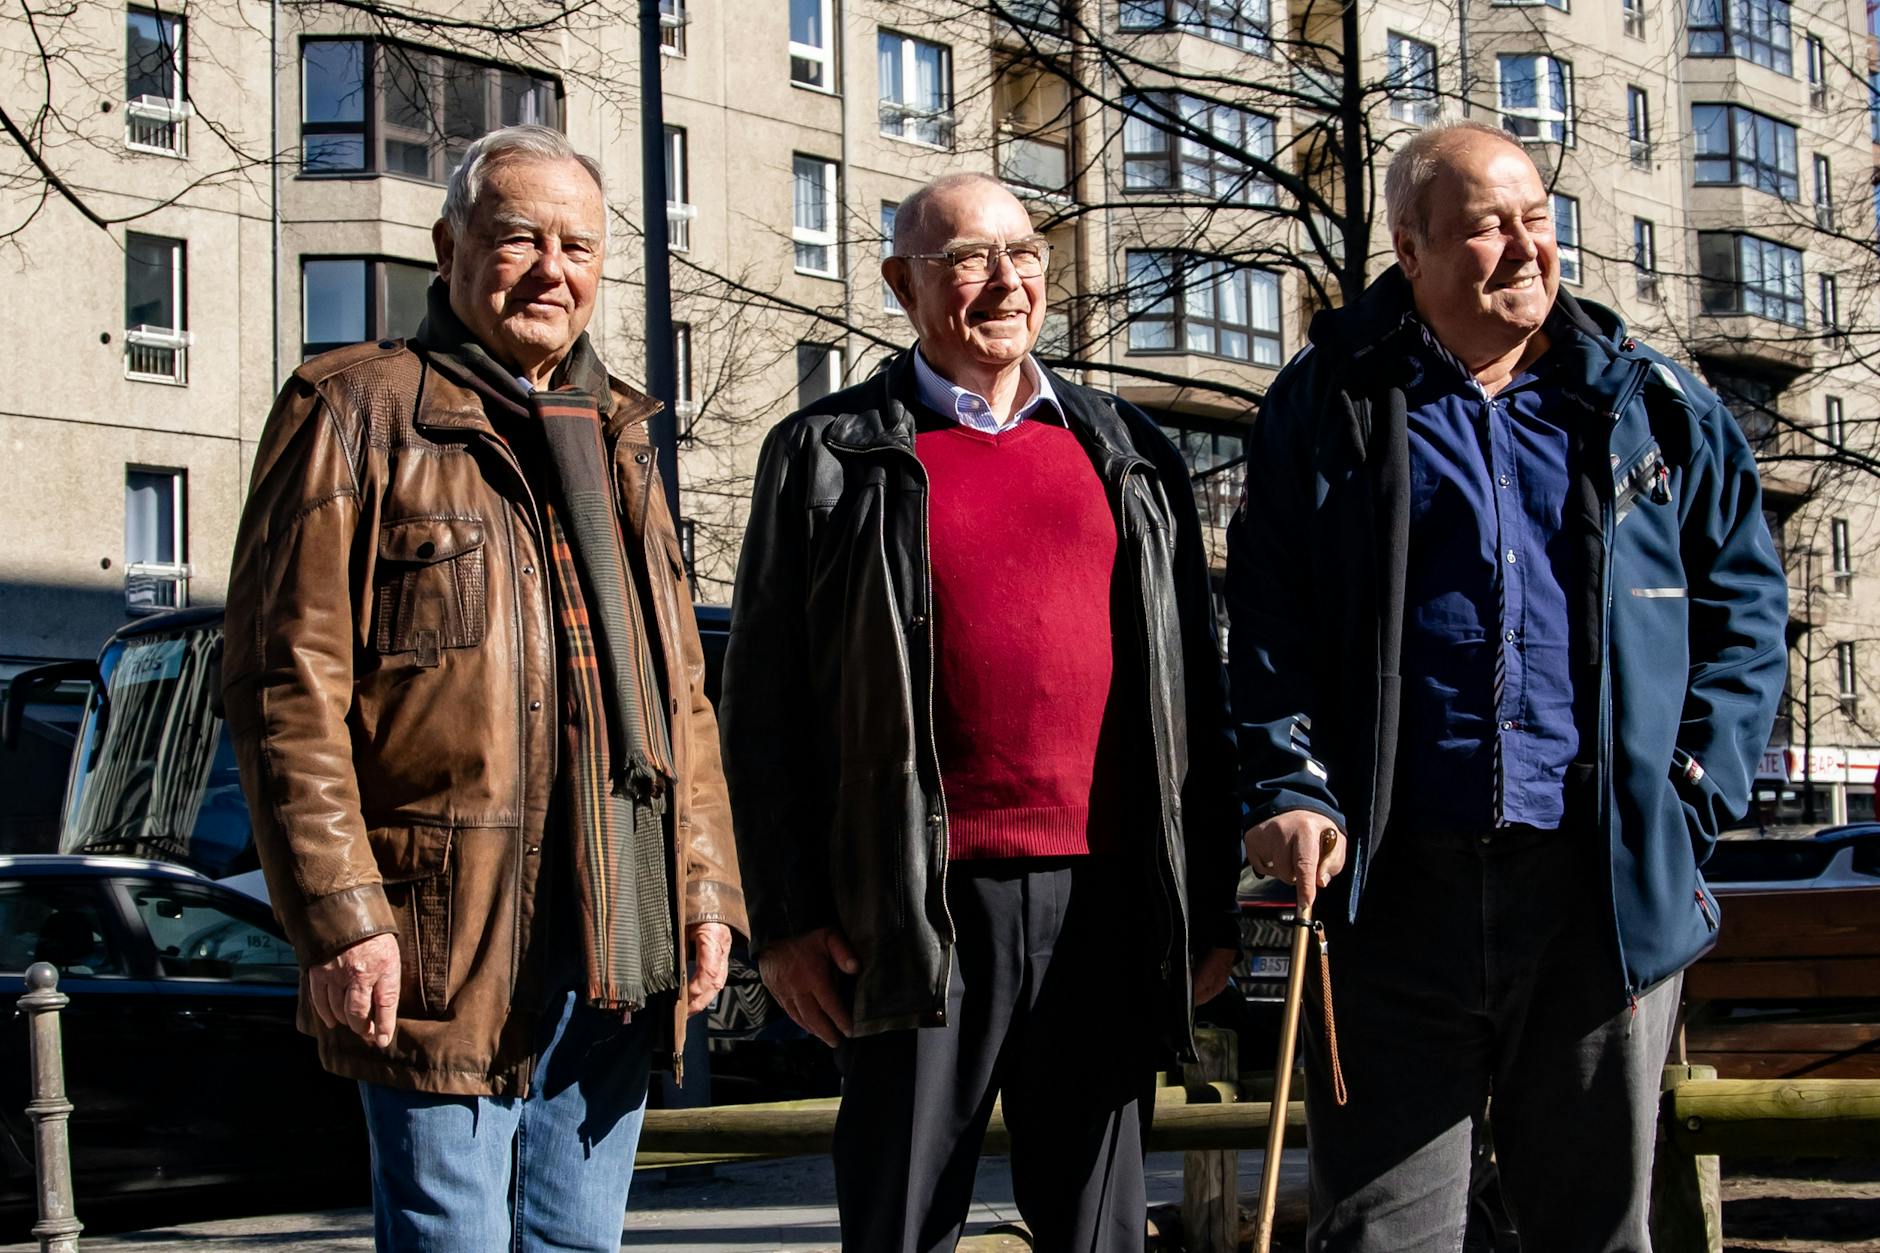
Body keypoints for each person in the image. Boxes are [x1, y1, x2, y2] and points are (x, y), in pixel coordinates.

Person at [1227, 119, 1788, 1253]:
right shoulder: (1328, 401)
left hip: (1597, 893)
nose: (1528, 247)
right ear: (1409, 248)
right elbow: (1270, 620)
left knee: (1591, 1232)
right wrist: (1289, 784)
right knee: (1380, 1234)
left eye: (1539, 218)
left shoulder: (1652, 406)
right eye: (1489, 226)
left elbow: (1743, 616)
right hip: (1392, 898)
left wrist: (1685, 795)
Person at [221, 124, 745, 1252]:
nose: (551, 270)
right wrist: (342, 914)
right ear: (447, 248)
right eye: (518, 239)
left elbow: (683, 697)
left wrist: (703, 888)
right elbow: (282, 688)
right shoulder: (354, 410)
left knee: (578, 1245)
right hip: (441, 935)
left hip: (619, 927)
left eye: (577, 246)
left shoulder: (623, 436)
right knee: (451, 1240)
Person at [718, 172, 1240, 1253]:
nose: (1006, 281)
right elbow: (761, 708)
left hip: (1103, 903)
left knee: (1100, 1232)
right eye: (966, 258)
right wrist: (783, 919)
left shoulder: (1130, 451)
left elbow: (1196, 687)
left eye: (1024, 254)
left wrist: (1206, 905)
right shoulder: (824, 456)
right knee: (902, 1223)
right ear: (900, 283)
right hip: (912, 908)